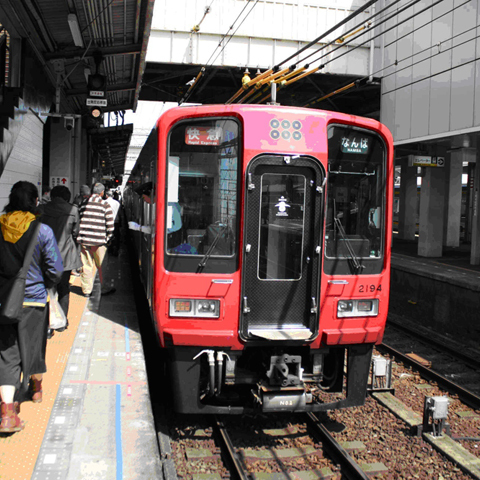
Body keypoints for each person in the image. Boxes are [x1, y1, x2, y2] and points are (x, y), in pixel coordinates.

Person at [0, 181, 63, 433]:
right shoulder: (43, 231)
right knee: (34, 348)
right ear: (36, 202)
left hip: (4, 301)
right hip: (34, 301)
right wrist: (47, 283)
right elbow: (56, 270)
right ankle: (36, 389)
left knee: (7, 354)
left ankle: (7, 413)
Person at [40, 185, 82, 332]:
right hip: (65, 256)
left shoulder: (42, 209)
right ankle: (61, 322)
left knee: (47, 289)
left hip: (45, 255)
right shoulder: (73, 210)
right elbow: (76, 232)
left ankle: (47, 326)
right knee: (64, 289)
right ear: (67, 197)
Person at [77, 183, 115, 297]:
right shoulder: (105, 205)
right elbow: (110, 226)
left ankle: (86, 291)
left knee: (86, 266)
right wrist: (107, 238)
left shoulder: (83, 204)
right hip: (99, 242)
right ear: (102, 193)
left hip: (84, 241)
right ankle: (103, 289)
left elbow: (79, 219)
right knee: (101, 266)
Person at [105, 190, 121, 256]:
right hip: (116, 222)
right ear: (112, 195)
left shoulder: (104, 202)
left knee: (108, 236)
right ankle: (115, 251)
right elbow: (120, 213)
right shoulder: (117, 203)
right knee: (116, 237)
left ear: (106, 195)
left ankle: (109, 250)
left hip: (107, 222)